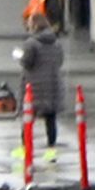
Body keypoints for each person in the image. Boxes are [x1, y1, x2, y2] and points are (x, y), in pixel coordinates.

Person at [19, 17, 66, 158]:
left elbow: (26, 62)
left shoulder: (31, 44)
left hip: (34, 87)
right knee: (51, 119)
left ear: (34, 26)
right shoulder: (56, 43)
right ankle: (51, 150)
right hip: (52, 85)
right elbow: (60, 61)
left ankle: (25, 149)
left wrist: (19, 56)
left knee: (28, 119)